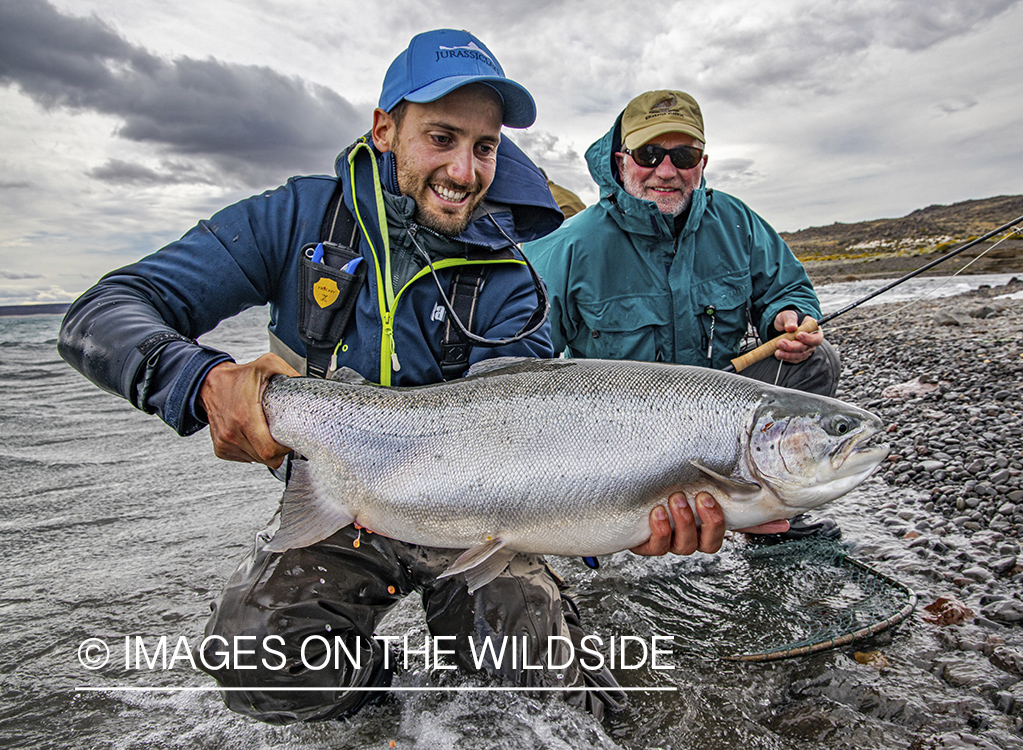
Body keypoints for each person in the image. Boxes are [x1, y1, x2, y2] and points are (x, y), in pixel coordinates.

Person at [58, 29, 629, 724]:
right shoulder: (293, 219)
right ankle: (402, 715)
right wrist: (202, 381)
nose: (464, 170)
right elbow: (101, 313)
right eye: (441, 138)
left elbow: (528, 438)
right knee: (258, 656)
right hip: (338, 504)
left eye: (484, 147)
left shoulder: (512, 279)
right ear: (384, 130)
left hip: (475, 522)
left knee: (555, 704)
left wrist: (625, 514)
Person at [523, 89, 842, 547]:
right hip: (611, 432)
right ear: (620, 162)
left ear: (703, 162)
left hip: (721, 419)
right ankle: (593, 521)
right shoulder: (568, 246)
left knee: (817, 361)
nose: (666, 171)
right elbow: (518, 357)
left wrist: (788, 318)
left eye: (683, 154)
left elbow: (787, 288)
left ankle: (765, 509)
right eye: (649, 154)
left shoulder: (737, 222)